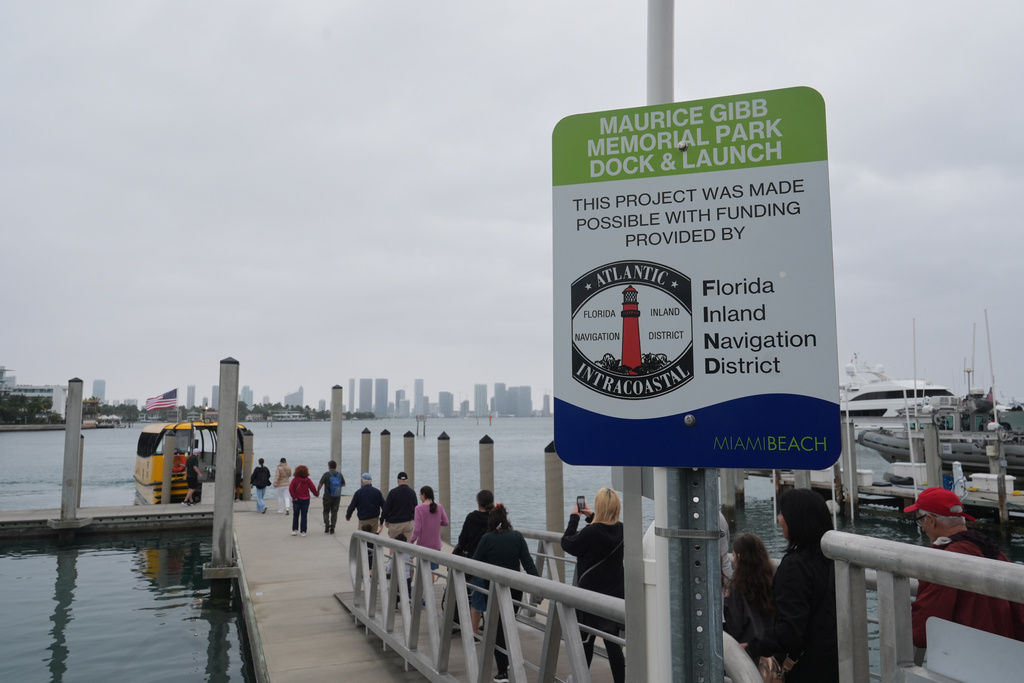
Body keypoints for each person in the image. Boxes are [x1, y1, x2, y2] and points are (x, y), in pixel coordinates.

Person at [904, 487, 1024, 650]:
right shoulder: (995, 552)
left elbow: (922, 633)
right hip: (1006, 656)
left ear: (931, 520)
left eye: (920, 521)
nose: (923, 528)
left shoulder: (944, 560)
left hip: (967, 657)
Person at [745, 488, 839, 683]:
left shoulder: (795, 566)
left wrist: (750, 647)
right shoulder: (835, 560)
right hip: (836, 665)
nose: (779, 518)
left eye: (782, 513)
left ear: (796, 519)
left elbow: (791, 630)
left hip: (806, 671)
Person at [560, 487, 625, 683]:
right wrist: (592, 516)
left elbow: (567, 543)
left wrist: (575, 517)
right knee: (613, 644)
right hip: (613, 594)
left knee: (585, 640)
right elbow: (606, 528)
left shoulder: (590, 532)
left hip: (589, 595)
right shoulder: (622, 529)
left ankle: (581, 678)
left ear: (599, 506)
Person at [471, 503, 539, 683]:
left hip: (493, 590)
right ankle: (508, 661)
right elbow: (528, 564)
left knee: (498, 628)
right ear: (507, 520)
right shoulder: (517, 536)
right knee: (508, 625)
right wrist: (539, 586)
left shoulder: (486, 539)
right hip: (515, 590)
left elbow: (474, 564)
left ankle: (503, 672)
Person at [450, 489, 494, 628]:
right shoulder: (494, 519)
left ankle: (474, 633)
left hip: (473, 562)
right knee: (490, 597)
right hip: (492, 563)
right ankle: (488, 627)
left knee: (476, 597)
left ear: (478, 503)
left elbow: (462, 540)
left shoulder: (471, 518)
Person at [725, 533, 775, 649]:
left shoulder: (738, 589)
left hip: (746, 652)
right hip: (769, 650)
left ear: (738, 556)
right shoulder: (772, 583)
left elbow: (734, 629)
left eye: (733, 556)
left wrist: (726, 604)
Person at [410, 485, 449, 577]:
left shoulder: (418, 509)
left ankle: (423, 590)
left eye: (420, 495)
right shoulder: (439, 507)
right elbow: (446, 522)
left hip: (423, 545)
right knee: (432, 571)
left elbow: (417, 529)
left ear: (424, 495)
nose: (420, 497)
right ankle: (430, 590)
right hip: (436, 545)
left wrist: (411, 541)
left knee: (423, 571)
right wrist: (436, 523)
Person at [380, 471, 417, 540]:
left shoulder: (393, 492)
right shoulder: (412, 492)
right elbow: (415, 508)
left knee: (393, 545)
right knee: (406, 546)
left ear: (398, 481)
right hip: (408, 522)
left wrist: (383, 520)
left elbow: (386, 509)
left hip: (395, 523)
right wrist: (414, 521)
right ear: (407, 480)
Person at [287, 465, 319, 536]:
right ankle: (303, 531)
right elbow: (313, 488)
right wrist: (316, 494)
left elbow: (291, 489)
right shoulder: (308, 480)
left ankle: (294, 530)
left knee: (295, 515)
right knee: (304, 515)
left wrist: (294, 497)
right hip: (306, 499)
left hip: (297, 499)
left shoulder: (295, 480)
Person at [316, 460, 346, 534]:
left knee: (326, 511)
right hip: (337, 497)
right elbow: (344, 484)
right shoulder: (340, 475)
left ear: (329, 467)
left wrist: (317, 492)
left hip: (327, 496)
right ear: (335, 467)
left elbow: (320, 484)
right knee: (334, 512)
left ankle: (327, 525)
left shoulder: (326, 474)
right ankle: (332, 528)